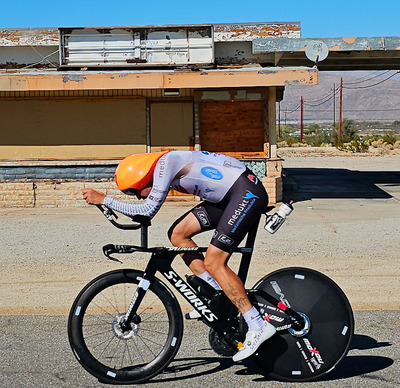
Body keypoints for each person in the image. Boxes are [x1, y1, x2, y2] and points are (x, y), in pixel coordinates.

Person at [83, 150, 276, 361]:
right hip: (226, 198)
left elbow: (147, 211)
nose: (138, 197)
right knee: (178, 234)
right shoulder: (162, 167)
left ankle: (257, 325)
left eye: (135, 192)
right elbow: (145, 208)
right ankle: (216, 296)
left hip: (245, 193)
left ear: (144, 178)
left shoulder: (166, 165)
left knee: (214, 261)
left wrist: (105, 200)